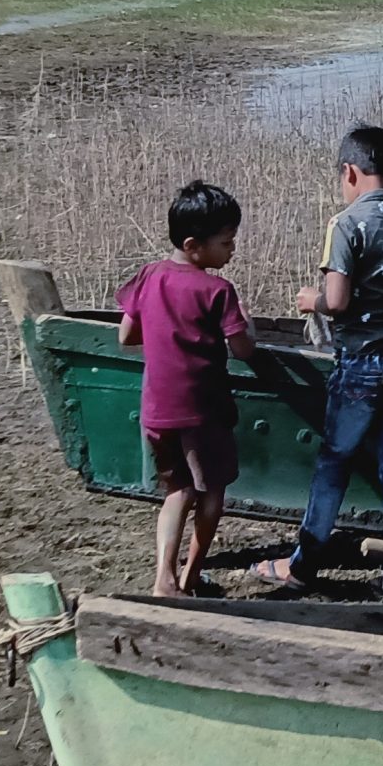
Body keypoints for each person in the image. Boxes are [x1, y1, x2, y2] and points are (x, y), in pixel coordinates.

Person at [253, 124, 383, 599]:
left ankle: (303, 566)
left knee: (334, 462)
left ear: (349, 172)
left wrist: (312, 300)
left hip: (365, 361)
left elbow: (338, 299)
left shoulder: (346, 223)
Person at [116, 181, 257, 597]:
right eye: (226, 242)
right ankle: (192, 577)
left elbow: (126, 336)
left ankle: (164, 578)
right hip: (204, 411)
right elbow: (245, 350)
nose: (232, 250)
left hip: (158, 410)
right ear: (194, 245)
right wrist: (247, 322)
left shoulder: (148, 276)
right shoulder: (218, 291)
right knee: (212, 491)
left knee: (177, 491)